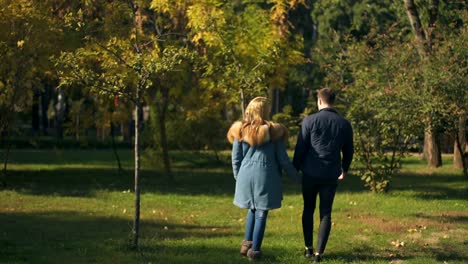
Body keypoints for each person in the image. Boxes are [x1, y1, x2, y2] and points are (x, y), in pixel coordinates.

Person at [227, 97, 299, 261]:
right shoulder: (274, 132)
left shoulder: (240, 130)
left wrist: (238, 177)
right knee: (261, 212)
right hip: (265, 175)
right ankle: (255, 251)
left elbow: (235, 159)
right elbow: (283, 160)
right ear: (265, 111)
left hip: (245, 175)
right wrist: (296, 177)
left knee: (252, 209)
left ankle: (246, 244)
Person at [293, 88, 354, 263]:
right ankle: (319, 254)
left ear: (319, 101)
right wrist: (345, 168)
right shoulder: (344, 123)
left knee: (308, 209)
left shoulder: (309, 121)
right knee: (326, 212)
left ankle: (308, 248)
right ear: (333, 101)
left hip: (310, 172)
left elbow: (301, 148)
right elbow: (349, 150)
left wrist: (294, 169)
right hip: (330, 173)